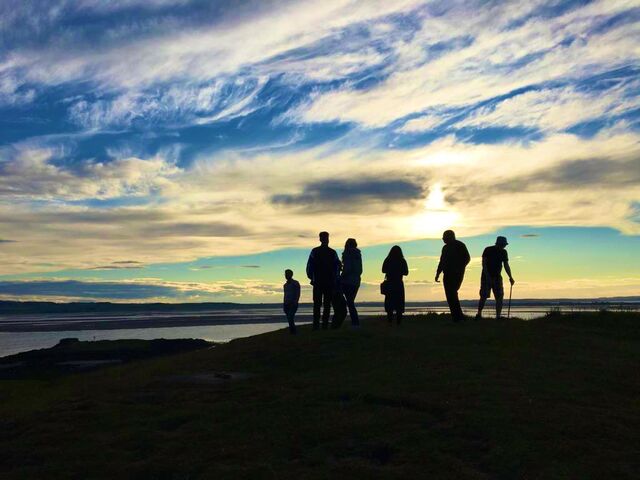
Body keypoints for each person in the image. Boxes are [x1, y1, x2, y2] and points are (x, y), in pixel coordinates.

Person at [306, 231, 341, 330]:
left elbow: (309, 267)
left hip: (320, 282)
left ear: (320, 239)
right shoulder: (331, 252)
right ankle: (323, 325)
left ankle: (317, 325)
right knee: (325, 305)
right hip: (326, 282)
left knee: (319, 305)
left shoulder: (316, 251)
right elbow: (337, 267)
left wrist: (312, 278)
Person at [476, 236, 515, 319]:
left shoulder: (504, 252)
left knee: (499, 296)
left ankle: (498, 316)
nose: (504, 246)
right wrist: (487, 276)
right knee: (483, 296)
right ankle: (479, 314)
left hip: (497, 276)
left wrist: (510, 277)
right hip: (486, 276)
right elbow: (484, 264)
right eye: (503, 244)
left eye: (505, 245)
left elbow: (506, 265)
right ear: (499, 243)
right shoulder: (488, 250)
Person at [435, 230, 470, 322]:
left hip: (457, 274)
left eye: (444, 237)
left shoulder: (460, 245)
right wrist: (438, 273)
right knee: (450, 296)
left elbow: (467, 258)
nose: (443, 239)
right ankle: (456, 316)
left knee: (452, 294)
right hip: (447, 274)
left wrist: (458, 268)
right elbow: (442, 261)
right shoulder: (445, 248)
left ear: (450, 237)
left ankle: (458, 317)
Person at [382, 245, 408, 325]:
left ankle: (390, 322)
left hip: (390, 283)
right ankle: (398, 323)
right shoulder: (402, 260)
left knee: (389, 303)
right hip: (398, 284)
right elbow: (406, 272)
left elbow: (383, 270)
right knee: (399, 304)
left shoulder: (388, 260)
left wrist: (390, 271)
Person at [340, 238, 362, 327]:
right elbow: (360, 270)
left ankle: (355, 323)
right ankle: (354, 323)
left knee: (348, 302)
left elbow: (347, 268)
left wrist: (341, 276)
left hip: (347, 281)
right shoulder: (358, 254)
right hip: (356, 281)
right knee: (350, 302)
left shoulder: (348, 253)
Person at [283, 269, 300, 334]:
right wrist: (284, 304)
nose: (286, 275)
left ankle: (293, 331)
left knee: (290, 317)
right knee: (289, 318)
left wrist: (295, 302)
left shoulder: (295, 283)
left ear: (291, 275)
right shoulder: (285, 285)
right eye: (285, 274)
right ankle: (292, 331)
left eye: (287, 274)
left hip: (293, 303)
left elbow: (297, 293)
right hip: (286, 304)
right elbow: (285, 295)